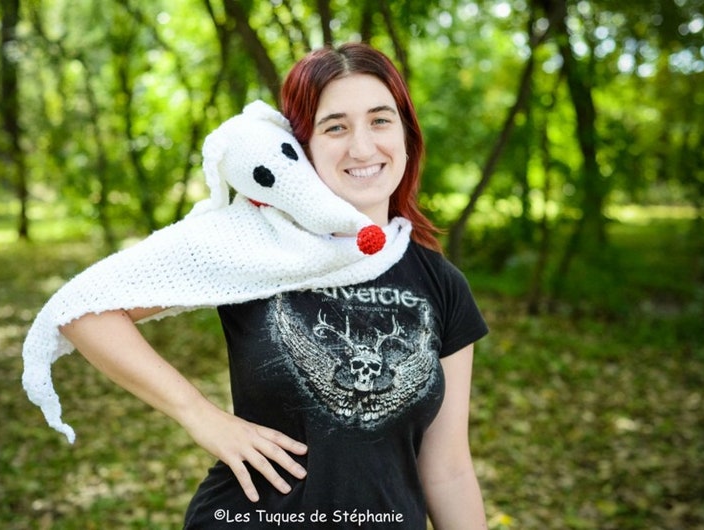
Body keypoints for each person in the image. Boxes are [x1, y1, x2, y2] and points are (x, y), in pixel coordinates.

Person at [57, 42, 489, 529]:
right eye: (335, 127)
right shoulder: (256, 248)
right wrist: (201, 416)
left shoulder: (441, 283)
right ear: (303, 146)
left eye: (380, 120)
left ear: (407, 134)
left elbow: (448, 469)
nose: (363, 147)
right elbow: (83, 310)